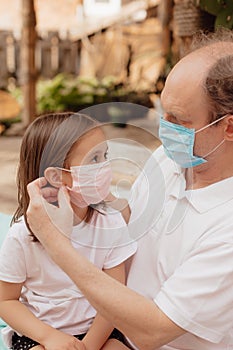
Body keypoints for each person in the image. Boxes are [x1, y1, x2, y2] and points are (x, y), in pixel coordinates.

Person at [26, 28, 233, 349]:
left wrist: (56, 243)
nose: (165, 128)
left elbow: (152, 332)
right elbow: (134, 221)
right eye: (164, 113)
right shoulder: (171, 158)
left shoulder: (227, 227)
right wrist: (90, 195)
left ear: (228, 126)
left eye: (178, 120)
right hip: (111, 326)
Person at [0, 112, 137, 350]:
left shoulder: (110, 223)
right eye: (94, 159)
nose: (105, 166)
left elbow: (115, 297)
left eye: (105, 155)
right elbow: (6, 300)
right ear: (55, 176)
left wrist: (90, 346)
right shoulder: (22, 235)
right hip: (39, 335)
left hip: (101, 330)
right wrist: (49, 338)